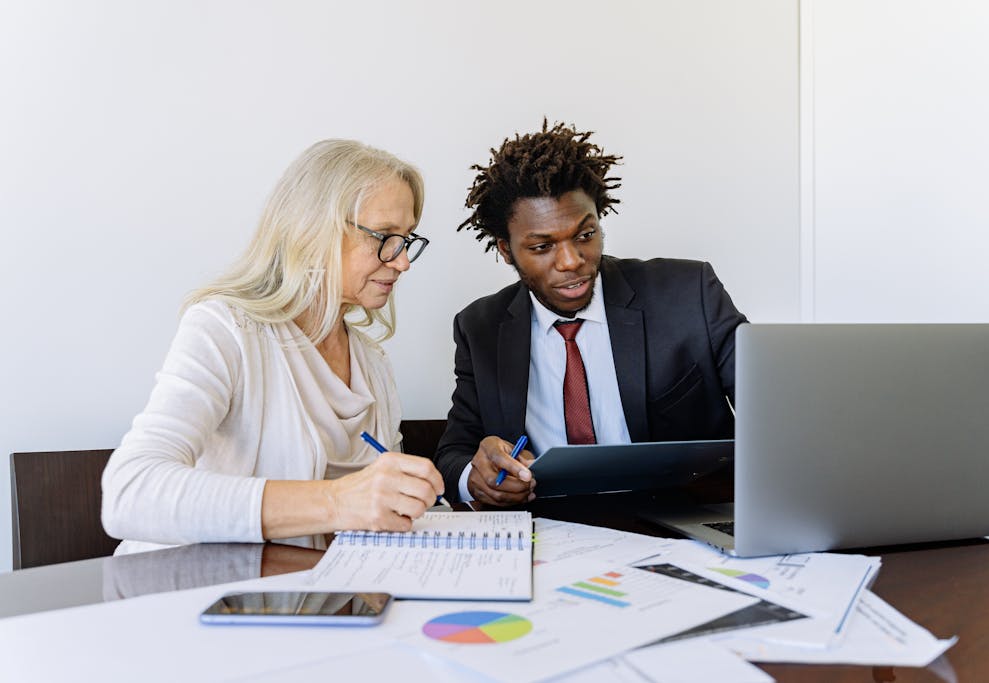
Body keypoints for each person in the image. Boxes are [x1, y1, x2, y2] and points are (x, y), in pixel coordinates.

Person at [102, 139, 444, 553]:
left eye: (407, 239)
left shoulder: (373, 363)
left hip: (307, 598)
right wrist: (338, 501)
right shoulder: (225, 329)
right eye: (386, 237)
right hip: (190, 594)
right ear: (313, 229)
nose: (402, 261)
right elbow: (130, 492)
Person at [433, 121, 747, 506]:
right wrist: (477, 478)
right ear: (505, 250)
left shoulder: (688, 293)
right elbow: (453, 455)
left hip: (682, 521)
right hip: (549, 529)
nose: (572, 262)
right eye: (542, 246)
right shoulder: (480, 327)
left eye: (585, 235)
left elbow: (774, 407)